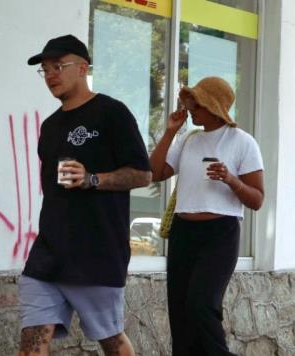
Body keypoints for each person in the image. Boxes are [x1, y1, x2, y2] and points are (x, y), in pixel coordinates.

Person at [18, 34, 151, 356]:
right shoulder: (50, 126)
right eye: (45, 69)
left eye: (58, 66)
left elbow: (143, 174)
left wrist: (92, 178)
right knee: (32, 340)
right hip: (48, 252)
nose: (50, 75)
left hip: (97, 252)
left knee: (111, 340)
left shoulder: (112, 113)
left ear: (82, 68)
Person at [149, 76, 264, 356]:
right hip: (183, 232)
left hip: (220, 234)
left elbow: (257, 199)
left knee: (202, 304)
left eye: (196, 103)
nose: (189, 108)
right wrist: (169, 132)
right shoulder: (189, 139)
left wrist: (231, 179)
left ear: (214, 107)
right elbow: (155, 173)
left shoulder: (242, 142)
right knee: (180, 310)